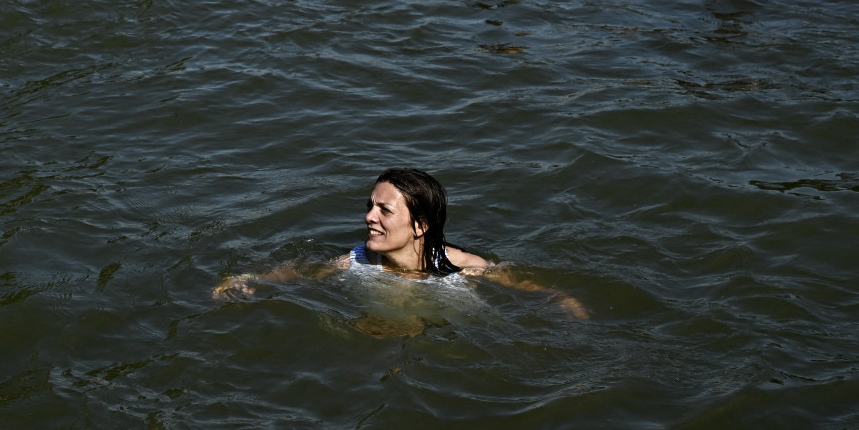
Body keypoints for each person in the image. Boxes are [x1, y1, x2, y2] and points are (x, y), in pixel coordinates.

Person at [212, 167, 587, 318]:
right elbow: (299, 270)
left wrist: (563, 300)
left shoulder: (462, 267)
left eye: (384, 211)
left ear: (421, 225)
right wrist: (248, 277)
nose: (369, 217)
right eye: (369, 207)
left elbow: (525, 285)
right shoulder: (355, 261)